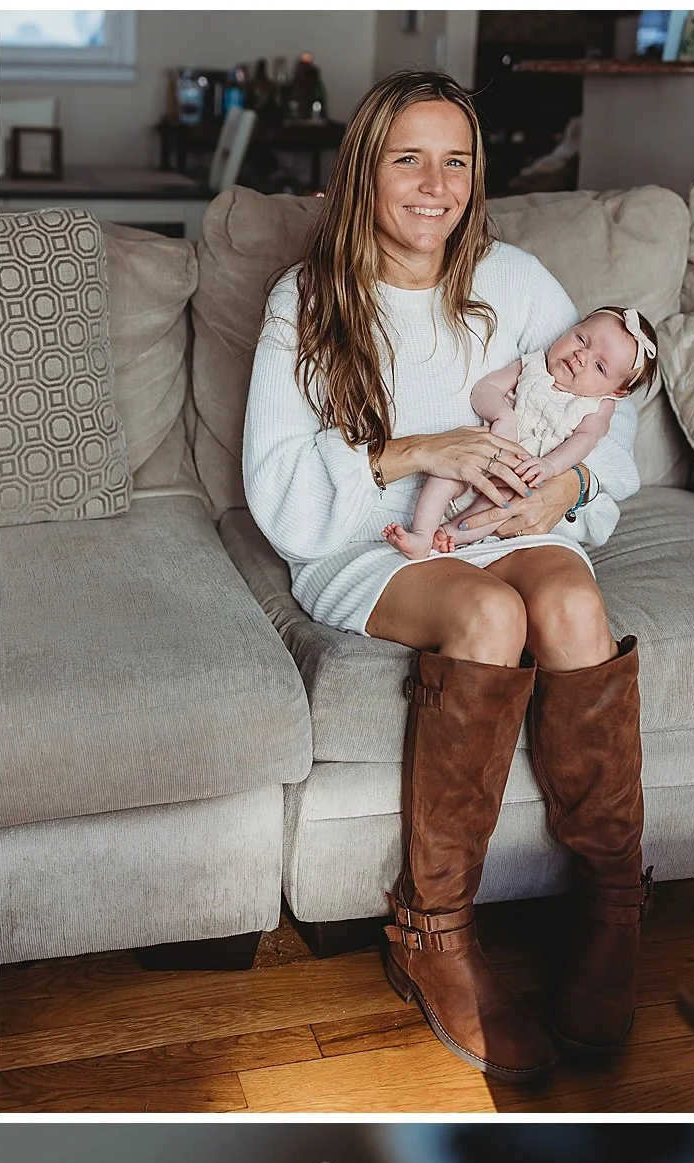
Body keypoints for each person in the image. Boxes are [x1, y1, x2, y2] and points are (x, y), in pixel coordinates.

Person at [244, 71, 648, 1081]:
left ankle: (611, 902)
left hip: (507, 518)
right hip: (366, 539)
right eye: (408, 159)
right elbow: (279, 484)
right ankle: (433, 931)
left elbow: (610, 407)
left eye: (456, 160)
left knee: (563, 595)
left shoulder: (512, 280)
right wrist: (423, 448)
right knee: (484, 612)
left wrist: (573, 487)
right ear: (364, 171)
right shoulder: (308, 298)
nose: (435, 185)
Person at [387, 306, 658, 557]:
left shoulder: (599, 407)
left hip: (522, 474)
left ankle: (454, 534)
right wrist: (502, 416)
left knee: (506, 505)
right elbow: (485, 389)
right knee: (443, 478)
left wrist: (550, 466)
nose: (581, 357)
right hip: (482, 452)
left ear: (616, 391)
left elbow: (585, 440)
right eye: (581, 340)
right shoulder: (533, 365)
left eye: (600, 366)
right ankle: (422, 535)